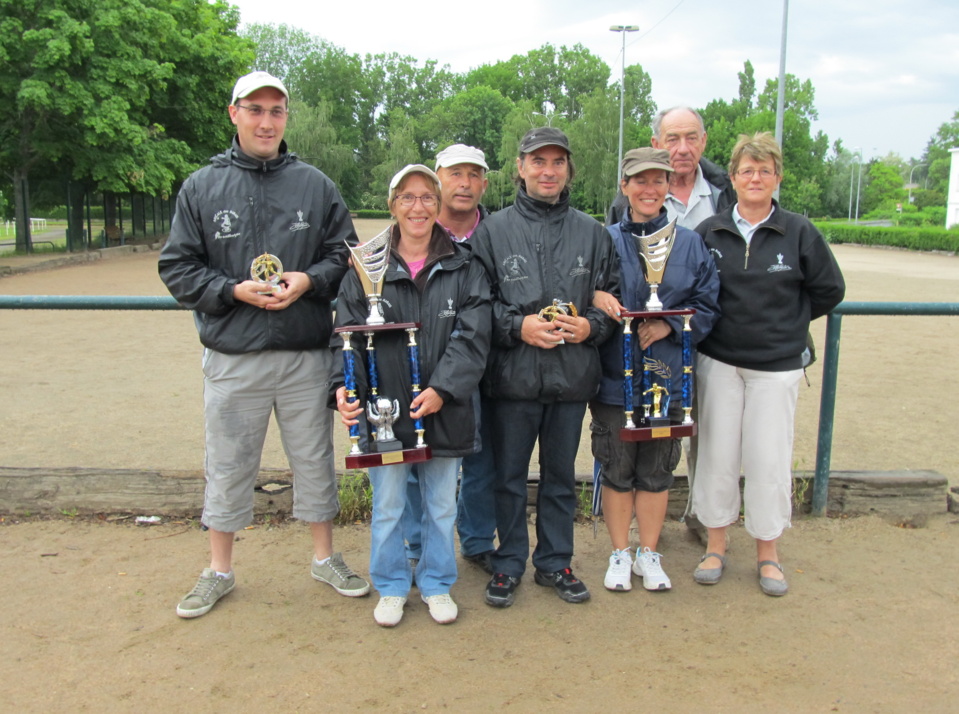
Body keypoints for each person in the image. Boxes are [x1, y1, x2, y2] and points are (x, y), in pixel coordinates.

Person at [159, 71, 369, 619]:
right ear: (234, 114)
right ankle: (219, 570)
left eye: (276, 111)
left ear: (285, 117)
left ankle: (324, 558)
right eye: (255, 109)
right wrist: (230, 290)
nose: (266, 121)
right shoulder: (201, 186)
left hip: (304, 355)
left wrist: (309, 281)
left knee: (315, 460)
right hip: (234, 357)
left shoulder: (315, 184)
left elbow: (343, 255)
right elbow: (177, 267)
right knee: (228, 464)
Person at [332, 164, 491, 627]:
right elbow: (345, 338)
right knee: (388, 507)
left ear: (438, 205)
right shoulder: (363, 266)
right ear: (392, 205)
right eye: (407, 197)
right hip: (385, 413)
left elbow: (473, 336)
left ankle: (437, 583)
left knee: (442, 506)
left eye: (426, 197)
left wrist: (443, 388)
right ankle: (392, 585)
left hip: (446, 408)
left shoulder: (465, 265)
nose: (417, 207)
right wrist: (343, 388)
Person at [470, 127, 619, 608]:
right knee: (509, 478)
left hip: (571, 378)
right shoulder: (492, 232)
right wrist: (518, 327)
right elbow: (476, 305)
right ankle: (509, 562)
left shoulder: (593, 233)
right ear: (520, 167)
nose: (548, 171)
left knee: (560, 478)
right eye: (538, 161)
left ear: (568, 169)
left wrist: (591, 327)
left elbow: (611, 300)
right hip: (512, 379)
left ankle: (555, 562)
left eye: (557, 162)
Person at [691, 132, 845, 596]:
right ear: (733, 178)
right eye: (747, 170)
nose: (755, 178)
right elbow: (696, 290)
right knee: (716, 456)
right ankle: (715, 546)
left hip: (775, 368)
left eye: (764, 170)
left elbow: (829, 290)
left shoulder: (799, 231)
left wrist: (788, 324)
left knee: (768, 459)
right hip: (719, 361)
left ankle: (768, 553)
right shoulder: (710, 231)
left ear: (777, 177)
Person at [589, 148, 720, 592]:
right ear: (624, 186)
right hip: (615, 378)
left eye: (658, 180)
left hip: (668, 379)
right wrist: (593, 296)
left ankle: (648, 552)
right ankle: (619, 553)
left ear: (668, 185)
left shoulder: (691, 243)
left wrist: (669, 325)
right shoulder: (603, 240)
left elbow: (708, 304)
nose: (650, 189)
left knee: (657, 471)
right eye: (640, 180)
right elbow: (581, 288)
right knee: (617, 468)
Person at [400, 145, 497, 576]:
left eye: (474, 174)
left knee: (481, 455)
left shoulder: (498, 233)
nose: (465, 183)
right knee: (415, 458)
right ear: (438, 180)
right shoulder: (412, 230)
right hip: (425, 365)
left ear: (485, 184)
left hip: (489, 361)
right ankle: (417, 545)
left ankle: (476, 540)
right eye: (455, 173)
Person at [606, 106, 736, 230]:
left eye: (691, 138)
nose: (683, 149)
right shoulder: (631, 197)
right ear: (656, 144)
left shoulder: (727, 189)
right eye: (673, 140)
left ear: (703, 141)